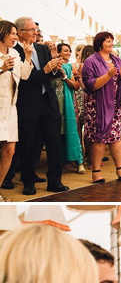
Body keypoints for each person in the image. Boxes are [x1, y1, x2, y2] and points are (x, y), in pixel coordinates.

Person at [8, 17, 69, 195]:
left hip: (48, 102)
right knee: (28, 145)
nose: (36, 33)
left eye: (37, 30)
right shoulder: (14, 52)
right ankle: (28, 182)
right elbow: (24, 82)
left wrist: (56, 66)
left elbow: (52, 75)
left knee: (54, 143)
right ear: (20, 32)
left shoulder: (42, 49)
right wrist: (46, 70)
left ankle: (55, 181)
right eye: (32, 30)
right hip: (27, 104)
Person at [81, 32, 121, 184]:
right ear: (100, 43)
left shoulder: (116, 59)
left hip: (114, 105)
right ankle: (96, 172)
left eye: (112, 41)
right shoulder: (91, 61)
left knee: (116, 137)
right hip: (97, 106)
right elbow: (89, 85)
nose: (111, 43)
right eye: (108, 41)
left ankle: (120, 169)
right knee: (99, 139)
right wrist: (108, 75)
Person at [0, 21, 22, 202]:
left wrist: (28, 57)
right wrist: (1, 70)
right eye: (12, 33)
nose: (15, 37)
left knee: (10, 150)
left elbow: (25, 76)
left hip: (10, 108)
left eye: (16, 33)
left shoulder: (15, 53)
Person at [54, 42, 83, 174]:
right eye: (65, 50)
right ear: (58, 52)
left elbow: (76, 86)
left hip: (69, 103)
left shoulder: (70, 67)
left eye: (69, 50)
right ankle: (60, 161)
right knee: (57, 131)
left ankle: (77, 160)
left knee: (72, 130)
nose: (68, 53)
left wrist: (65, 77)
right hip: (55, 103)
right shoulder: (52, 65)